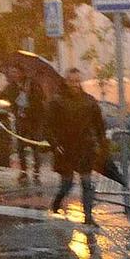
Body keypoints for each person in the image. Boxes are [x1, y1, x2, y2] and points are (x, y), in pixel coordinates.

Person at [48, 66, 107, 227]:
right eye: (71, 81)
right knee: (67, 183)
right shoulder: (57, 101)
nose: (74, 84)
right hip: (65, 148)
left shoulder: (89, 101)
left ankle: (88, 216)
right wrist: (55, 144)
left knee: (87, 183)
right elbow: (48, 126)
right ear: (66, 81)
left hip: (84, 147)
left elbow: (99, 125)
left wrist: (101, 144)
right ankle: (57, 202)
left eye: (77, 81)